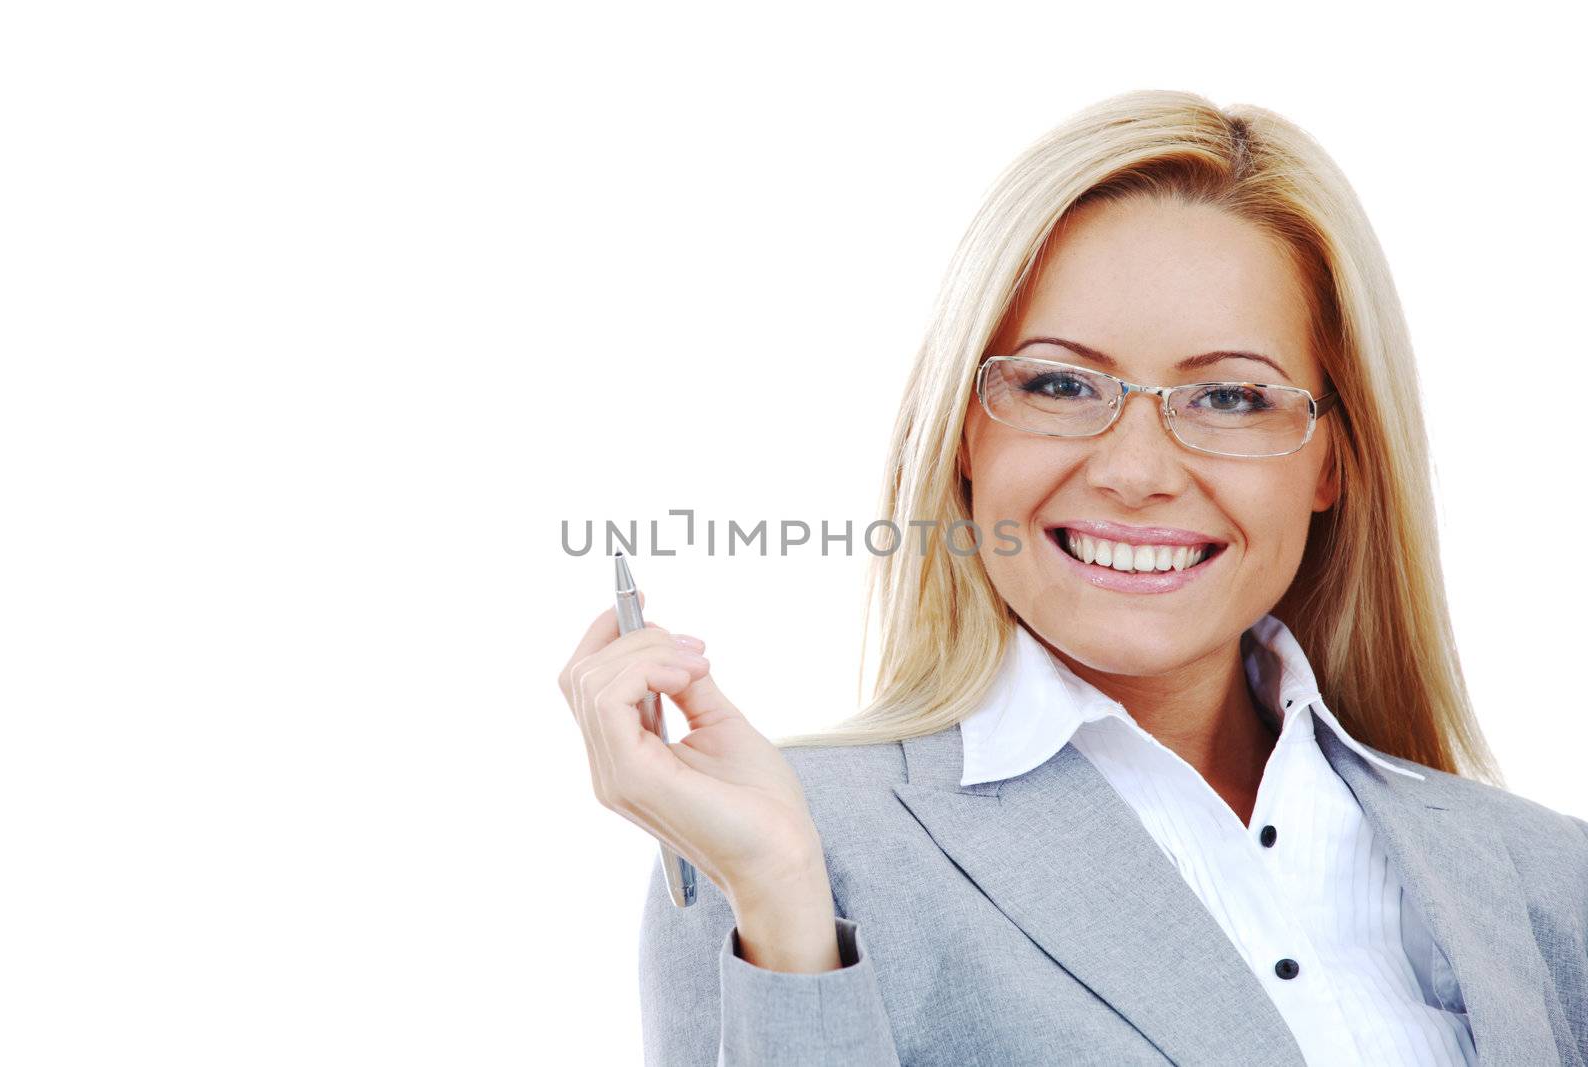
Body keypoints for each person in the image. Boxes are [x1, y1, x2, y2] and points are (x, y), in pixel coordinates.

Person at [558, 91, 1588, 1065]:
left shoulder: (1547, 878)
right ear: (963, 432)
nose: (1135, 470)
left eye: (1229, 397)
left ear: (1334, 460)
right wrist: (785, 905)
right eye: (1058, 383)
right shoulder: (778, 843)